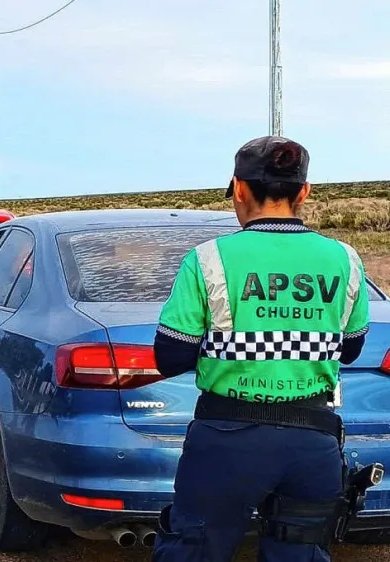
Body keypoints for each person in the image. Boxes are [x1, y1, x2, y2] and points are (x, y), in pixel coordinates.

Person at [151, 136, 371, 561]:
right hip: (312, 440)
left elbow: (170, 356)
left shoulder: (208, 258)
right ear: (304, 191)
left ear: (238, 188)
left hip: (225, 439)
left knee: (194, 550)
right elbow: (352, 349)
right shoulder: (346, 259)